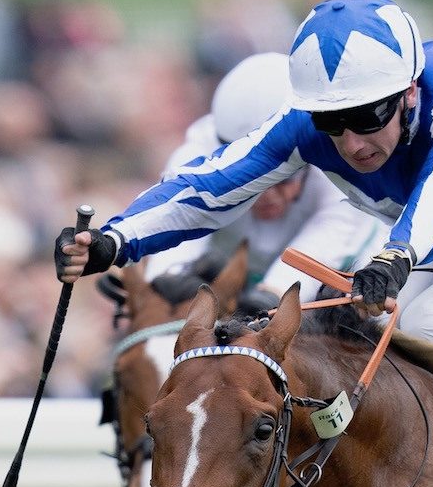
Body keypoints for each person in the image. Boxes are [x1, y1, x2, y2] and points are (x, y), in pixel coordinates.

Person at [54, 0, 433, 486]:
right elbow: (211, 184)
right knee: (369, 342)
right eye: (332, 123)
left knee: (432, 324)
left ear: (408, 93)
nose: (350, 144)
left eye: (368, 116)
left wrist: (396, 255)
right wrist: (112, 240)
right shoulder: (314, 123)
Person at [143, 51, 383, 306]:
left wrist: (272, 292)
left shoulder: (340, 166)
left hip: (349, 275)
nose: (267, 195)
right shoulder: (197, 155)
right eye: (250, 180)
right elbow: (176, 231)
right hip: (240, 283)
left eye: (282, 178)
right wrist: (166, 276)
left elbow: (319, 248)